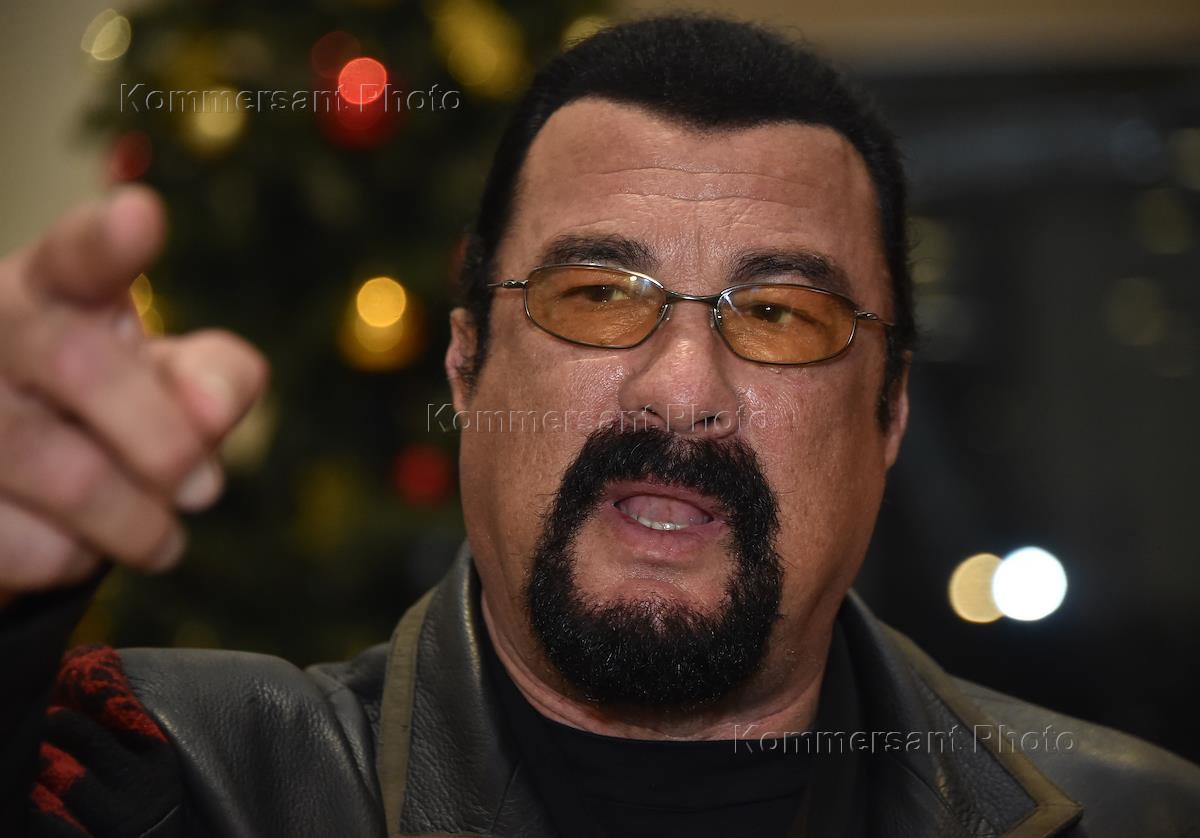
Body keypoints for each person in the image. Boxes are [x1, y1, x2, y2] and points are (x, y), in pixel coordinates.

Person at [1, 14, 1197, 838]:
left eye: (779, 314)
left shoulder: (1138, 817)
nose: (679, 392)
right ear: (467, 365)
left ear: (890, 414)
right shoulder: (180, 781)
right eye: (596, 295)